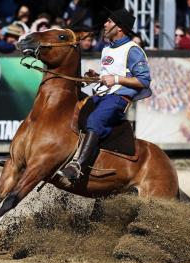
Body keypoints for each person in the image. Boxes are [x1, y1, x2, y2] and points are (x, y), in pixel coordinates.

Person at [56, 8, 152, 182]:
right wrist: (96, 78)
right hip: (101, 95)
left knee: (95, 121)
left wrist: (115, 79)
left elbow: (144, 81)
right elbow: (108, 76)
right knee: (72, 110)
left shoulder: (133, 50)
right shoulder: (106, 49)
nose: (105, 24)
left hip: (118, 98)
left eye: (109, 21)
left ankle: (78, 167)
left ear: (120, 27)